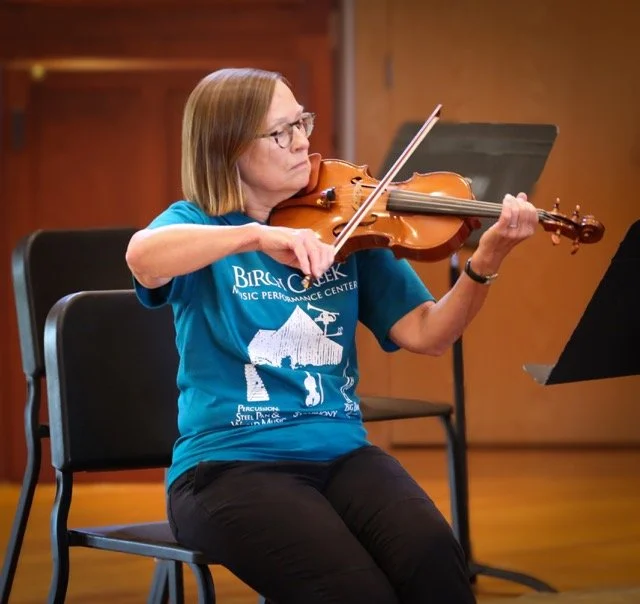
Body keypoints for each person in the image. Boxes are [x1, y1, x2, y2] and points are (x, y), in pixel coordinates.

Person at [125, 67, 538, 604]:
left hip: (343, 456)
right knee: (352, 591)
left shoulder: (347, 227)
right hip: (227, 468)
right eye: (281, 133)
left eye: (302, 123)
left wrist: (485, 262)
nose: (304, 142)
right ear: (228, 148)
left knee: (436, 563)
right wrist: (255, 235)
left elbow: (429, 332)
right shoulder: (200, 225)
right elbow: (142, 257)